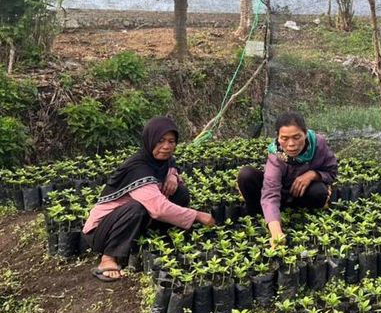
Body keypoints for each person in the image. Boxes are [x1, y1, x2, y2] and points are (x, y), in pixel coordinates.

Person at [82, 116, 215, 281]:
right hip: (101, 232)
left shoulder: (160, 160)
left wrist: (172, 175)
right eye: (160, 141)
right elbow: (159, 209)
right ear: (150, 140)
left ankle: (157, 234)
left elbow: (171, 163)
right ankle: (108, 258)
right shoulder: (138, 168)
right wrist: (198, 215)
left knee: (180, 192)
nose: (166, 146)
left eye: (171, 141)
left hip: (129, 223)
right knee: (137, 208)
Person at [237, 112, 338, 247]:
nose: (291, 144)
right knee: (246, 175)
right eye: (284, 138)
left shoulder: (318, 144)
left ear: (305, 133)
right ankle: (264, 215)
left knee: (319, 192)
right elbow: (270, 193)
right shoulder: (276, 155)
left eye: (297, 137)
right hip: (280, 192)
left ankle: (298, 212)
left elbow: (332, 171)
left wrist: (312, 175)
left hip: (301, 194)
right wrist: (276, 233)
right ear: (278, 137)